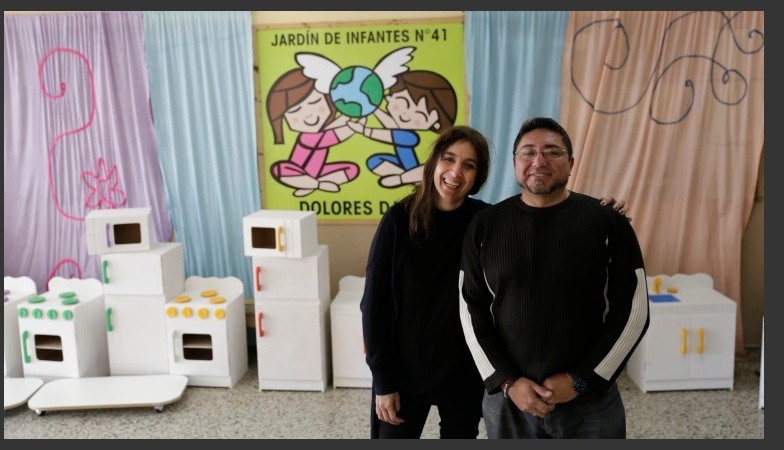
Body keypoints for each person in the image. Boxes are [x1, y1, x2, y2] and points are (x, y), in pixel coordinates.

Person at [361, 124, 630, 439]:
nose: (456, 172)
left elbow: (536, 220)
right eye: (448, 159)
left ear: (479, 176)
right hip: (404, 373)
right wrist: (384, 381)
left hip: (464, 374)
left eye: (469, 165)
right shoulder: (398, 221)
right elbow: (374, 305)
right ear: (433, 163)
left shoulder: (485, 222)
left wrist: (603, 212)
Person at [458, 117, 650, 439]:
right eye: (527, 152)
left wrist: (582, 379)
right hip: (510, 401)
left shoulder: (608, 224)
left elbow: (634, 310)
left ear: (571, 163)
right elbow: (470, 307)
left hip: (591, 402)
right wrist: (507, 381)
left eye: (552, 152)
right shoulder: (485, 227)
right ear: (515, 162)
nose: (539, 161)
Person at [348, 70, 457, 188]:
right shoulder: (401, 131)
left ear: (435, 123)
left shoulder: (411, 137)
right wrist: (374, 108)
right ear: (390, 98)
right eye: (402, 102)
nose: (406, 115)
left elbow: (390, 134)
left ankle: (402, 178)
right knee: (374, 161)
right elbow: (391, 126)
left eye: (419, 114)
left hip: (421, 169)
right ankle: (411, 178)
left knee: (430, 168)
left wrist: (365, 131)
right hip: (405, 166)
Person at [266, 68, 362, 197]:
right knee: (279, 169)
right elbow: (334, 136)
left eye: (315, 102)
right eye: (295, 111)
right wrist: (355, 127)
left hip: (318, 172)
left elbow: (331, 128)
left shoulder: (319, 133)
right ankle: (317, 184)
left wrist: (350, 115)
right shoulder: (307, 137)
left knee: (352, 169)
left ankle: (309, 183)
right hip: (296, 171)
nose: (310, 116)